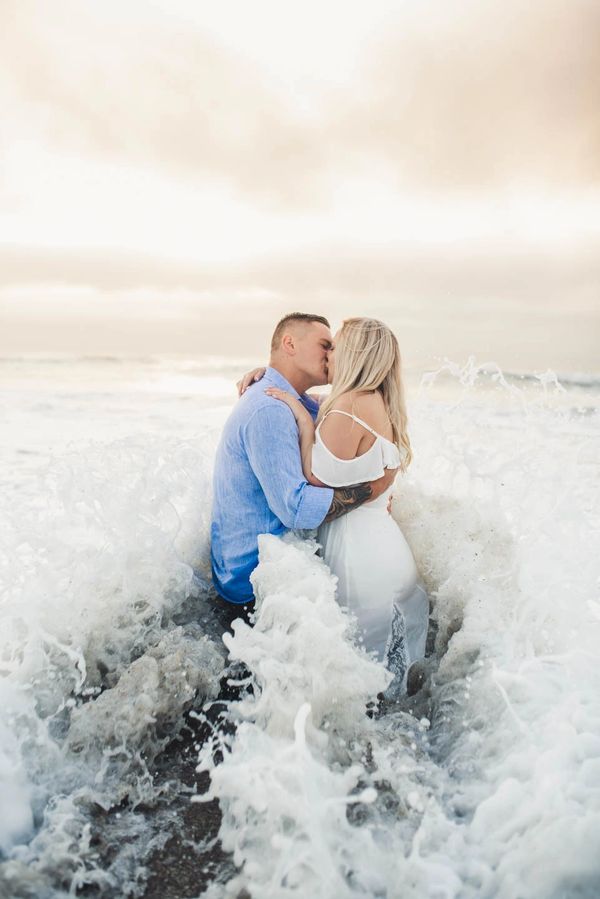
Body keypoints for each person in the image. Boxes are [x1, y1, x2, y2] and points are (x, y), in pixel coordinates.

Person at [261, 317, 429, 696]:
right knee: (389, 681)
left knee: (356, 681)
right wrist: (271, 375)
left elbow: (314, 478)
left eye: (335, 346)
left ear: (354, 354)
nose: (329, 354)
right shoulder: (377, 401)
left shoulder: (346, 409)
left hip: (360, 559)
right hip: (388, 550)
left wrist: (304, 421)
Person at [210, 313, 396, 633]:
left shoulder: (296, 400)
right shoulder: (270, 408)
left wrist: (267, 371)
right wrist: (371, 490)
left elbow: (335, 413)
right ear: (290, 344)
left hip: (275, 567)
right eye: (326, 345)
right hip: (253, 582)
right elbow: (296, 509)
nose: (331, 354)